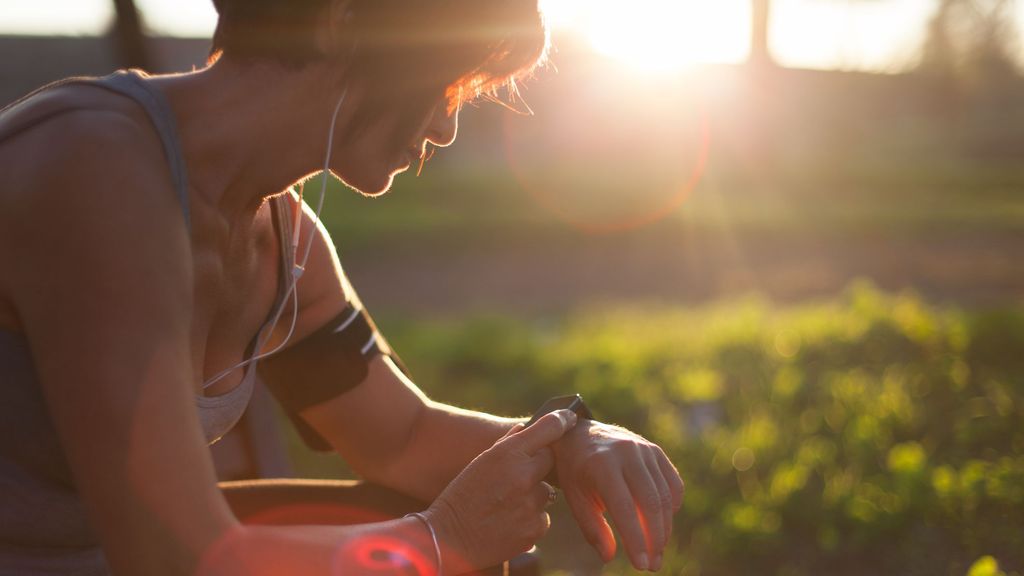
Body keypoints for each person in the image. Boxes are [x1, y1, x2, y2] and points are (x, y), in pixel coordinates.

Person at [0, 0, 684, 574]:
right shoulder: (97, 169)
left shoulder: (283, 244)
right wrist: (441, 540)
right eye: (450, 82)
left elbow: (404, 437)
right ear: (344, 20)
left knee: (408, 528)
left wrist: (573, 439)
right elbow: (172, 553)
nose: (447, 126)